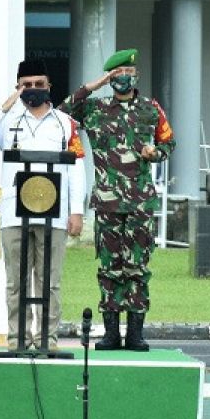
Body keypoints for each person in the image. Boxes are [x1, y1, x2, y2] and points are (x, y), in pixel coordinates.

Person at [62, 48, 174, 352]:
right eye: (117, 73)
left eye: (128, 73)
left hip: (139, 203)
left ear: (136, 75)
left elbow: (168, 141)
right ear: (110, 78)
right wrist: (93, 86)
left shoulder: (151, 109)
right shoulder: (95, 109)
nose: (123, 77)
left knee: (137, 267)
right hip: (108, 202)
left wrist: (157, 154)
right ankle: (111, 333)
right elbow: (62, 112)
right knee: (110, 267)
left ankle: (135, 333)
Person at [0, 59, 86, 351]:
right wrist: (3, 107)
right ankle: (18, 338)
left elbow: (77, 168)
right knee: (16, 282)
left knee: (50, 282)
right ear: (18, 87)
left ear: (49, 86)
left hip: (56, 214)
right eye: (27, 85)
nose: (34, 89)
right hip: (14, 212)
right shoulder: (9, 121)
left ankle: (47, 339)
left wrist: (77, 210)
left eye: (39, 84)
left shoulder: (66, 124)